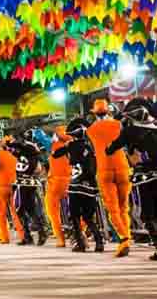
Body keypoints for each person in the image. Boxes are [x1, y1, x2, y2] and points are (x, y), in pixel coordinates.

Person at [108, 98, 157, 260]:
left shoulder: (130, 131)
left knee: (148, 214)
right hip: (148, 175)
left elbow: (111, 148)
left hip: (146, 177)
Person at [86, 99, 132, 257]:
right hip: (122, 166)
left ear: (94, 113)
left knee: (113, 209)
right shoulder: (118, 125)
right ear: (108, 111)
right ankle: (127, 237)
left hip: (104, 169)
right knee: (124, 207)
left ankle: (124, 237)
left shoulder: (90, 130)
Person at [53, 118, 103, 253]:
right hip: (90, 186)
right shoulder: (91, 146)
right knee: (88, 217)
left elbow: (55, 154)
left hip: (76, 186)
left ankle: (80, 243)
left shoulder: (71, 145)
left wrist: (66, 146)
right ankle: (99, 242)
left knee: (74, 216)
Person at [33, 125, 71, 247]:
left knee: (52, 210)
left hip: (55, 181)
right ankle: (79, 232)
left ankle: (60, 239)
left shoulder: (52, 144)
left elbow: (39, 135)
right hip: (71, 180)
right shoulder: (73, 144)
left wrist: (39, 127)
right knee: (77, 210)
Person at [8, 129, 47, 246]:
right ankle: (37, 233)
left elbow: (17, 147)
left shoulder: (29, 147)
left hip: (24, 182)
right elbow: (16, 152)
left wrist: (9, 143)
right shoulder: (30, 150)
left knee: (20, 208)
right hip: (27, 182)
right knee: (30, 208)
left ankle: (30, 235)